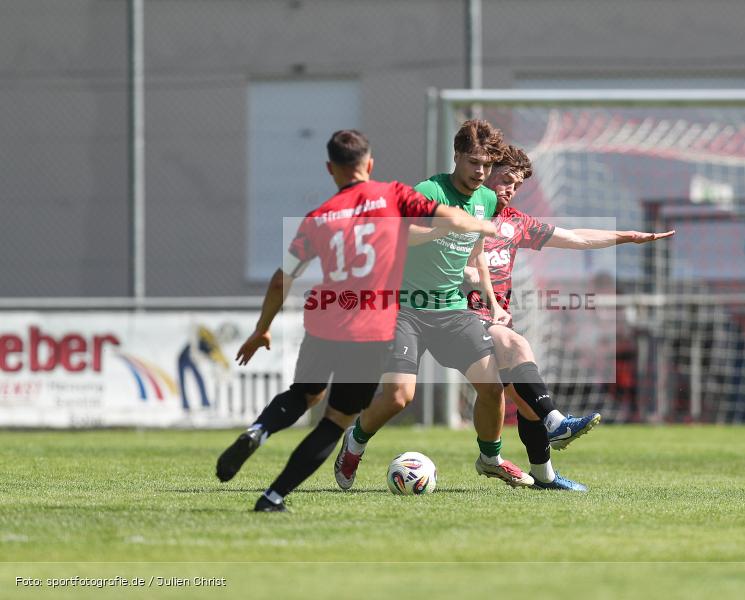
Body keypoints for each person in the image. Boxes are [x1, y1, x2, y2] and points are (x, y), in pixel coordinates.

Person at [215, 129, 497, 511]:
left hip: (326, 318)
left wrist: (261, 328)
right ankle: (273, 496)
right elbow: (448, 216)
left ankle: (258, 430)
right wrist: (481, 224)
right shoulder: (392, 194)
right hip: (369, 327)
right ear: (370, 164)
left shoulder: (317, 218)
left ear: (330, 169)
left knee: (304, 394)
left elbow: (283, 278)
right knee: (335, 420)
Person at [333, 120, 534, 490]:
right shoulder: (430, 191)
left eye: (487, 165)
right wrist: (446, 227)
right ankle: (355, 442)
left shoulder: (486, 199)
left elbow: (477, 257)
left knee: (492, 386)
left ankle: (490, 458)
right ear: (456, 156)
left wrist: (492, 303)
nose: (480, 172)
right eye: (473, 162)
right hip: (405, 308)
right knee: (399, 397)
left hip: (452, 310)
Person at [463, 145, 674, 490]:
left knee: (525, 400)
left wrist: (627, 237)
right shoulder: (462, 216)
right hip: (459, 317)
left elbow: (575, 238)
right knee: (515, 345)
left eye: (516, 186)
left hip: (495, 318)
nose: (509, 190)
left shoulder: (515, 223)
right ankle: (556, 422)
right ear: (486, 174)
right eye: (505, 180)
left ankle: (544, 475)